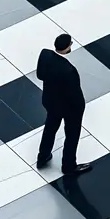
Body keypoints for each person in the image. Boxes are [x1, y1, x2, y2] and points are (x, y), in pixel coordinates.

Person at [36, 33, 90, 176]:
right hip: (68, 108)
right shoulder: (69, 70)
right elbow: (75, 95)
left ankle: (43, 156)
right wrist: (80, 107)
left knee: (50, 127)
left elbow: (40, 75)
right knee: (72, 135)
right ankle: (68, 166)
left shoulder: (45, 55)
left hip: (50, 102)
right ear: (67, 47)